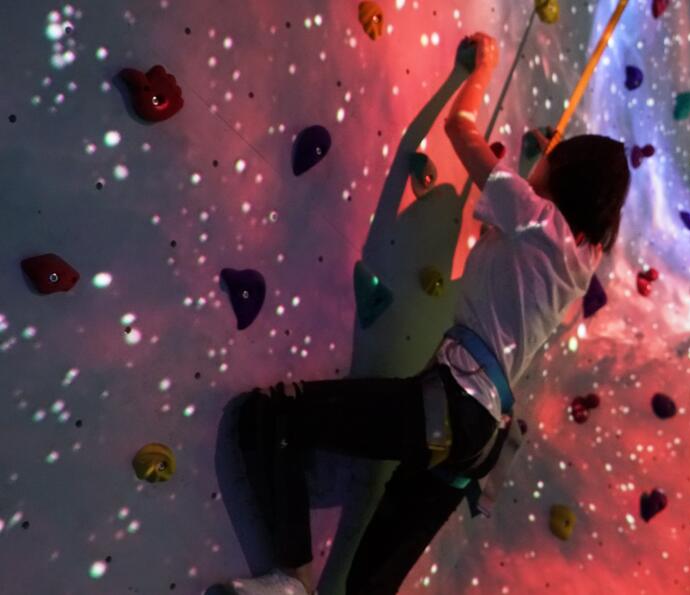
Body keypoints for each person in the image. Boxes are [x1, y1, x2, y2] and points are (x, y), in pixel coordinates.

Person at [224, 31, 630, 595]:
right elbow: (514, 261)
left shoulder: (533, 216)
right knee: (368, 586)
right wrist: (542, 162)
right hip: (479, 437)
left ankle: (288, 580)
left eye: (549, 165)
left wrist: (480, 72)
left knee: (272, 417)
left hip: (454, 400)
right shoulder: (582, 260)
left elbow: (459, 130)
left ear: (560, 178)